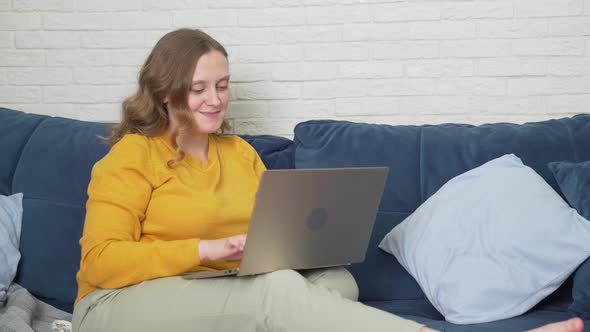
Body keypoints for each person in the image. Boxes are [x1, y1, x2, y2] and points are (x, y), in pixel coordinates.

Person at [71, 28, 584, 332]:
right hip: (119, 300)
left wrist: (296, 246)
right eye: (198, 88)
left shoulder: (239, 152)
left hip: (213, 283)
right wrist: (203, 250)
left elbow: (261, 236)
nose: (214, 100)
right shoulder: (132, 157)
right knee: (275, 291)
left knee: (335, 280)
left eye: (222, 86)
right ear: (165, 93)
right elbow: (100, 260)